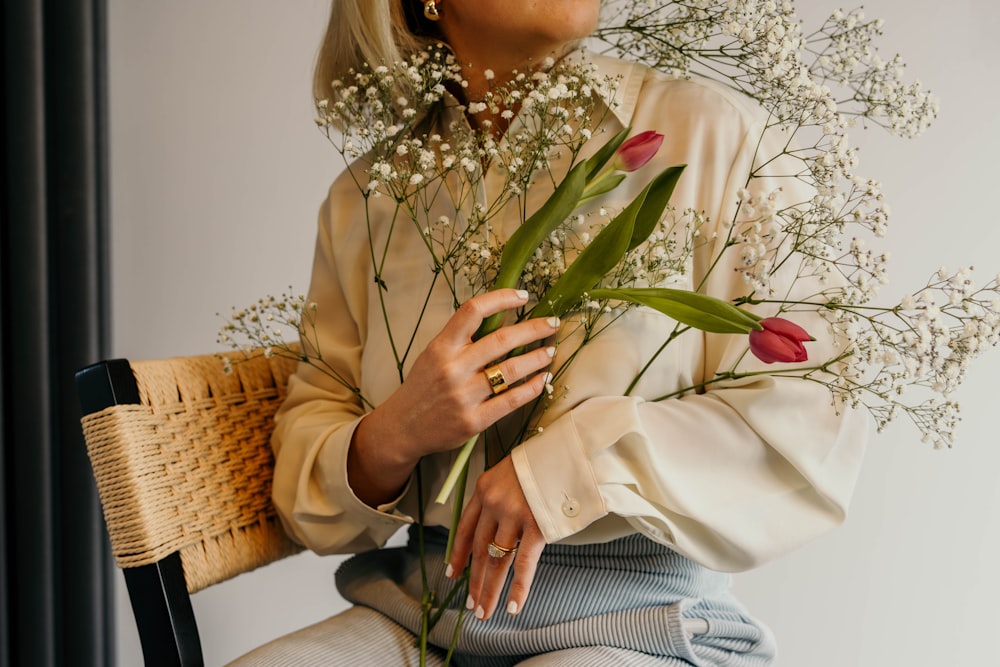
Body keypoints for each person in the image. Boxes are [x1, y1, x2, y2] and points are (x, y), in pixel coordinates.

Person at [234, 1, 869, 665]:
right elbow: (306, 467)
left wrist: (573, 465)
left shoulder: (711, 136)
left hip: (639, 622)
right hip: (420, 615)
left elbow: (808, 417)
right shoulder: (367, 198)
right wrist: (398, 429)